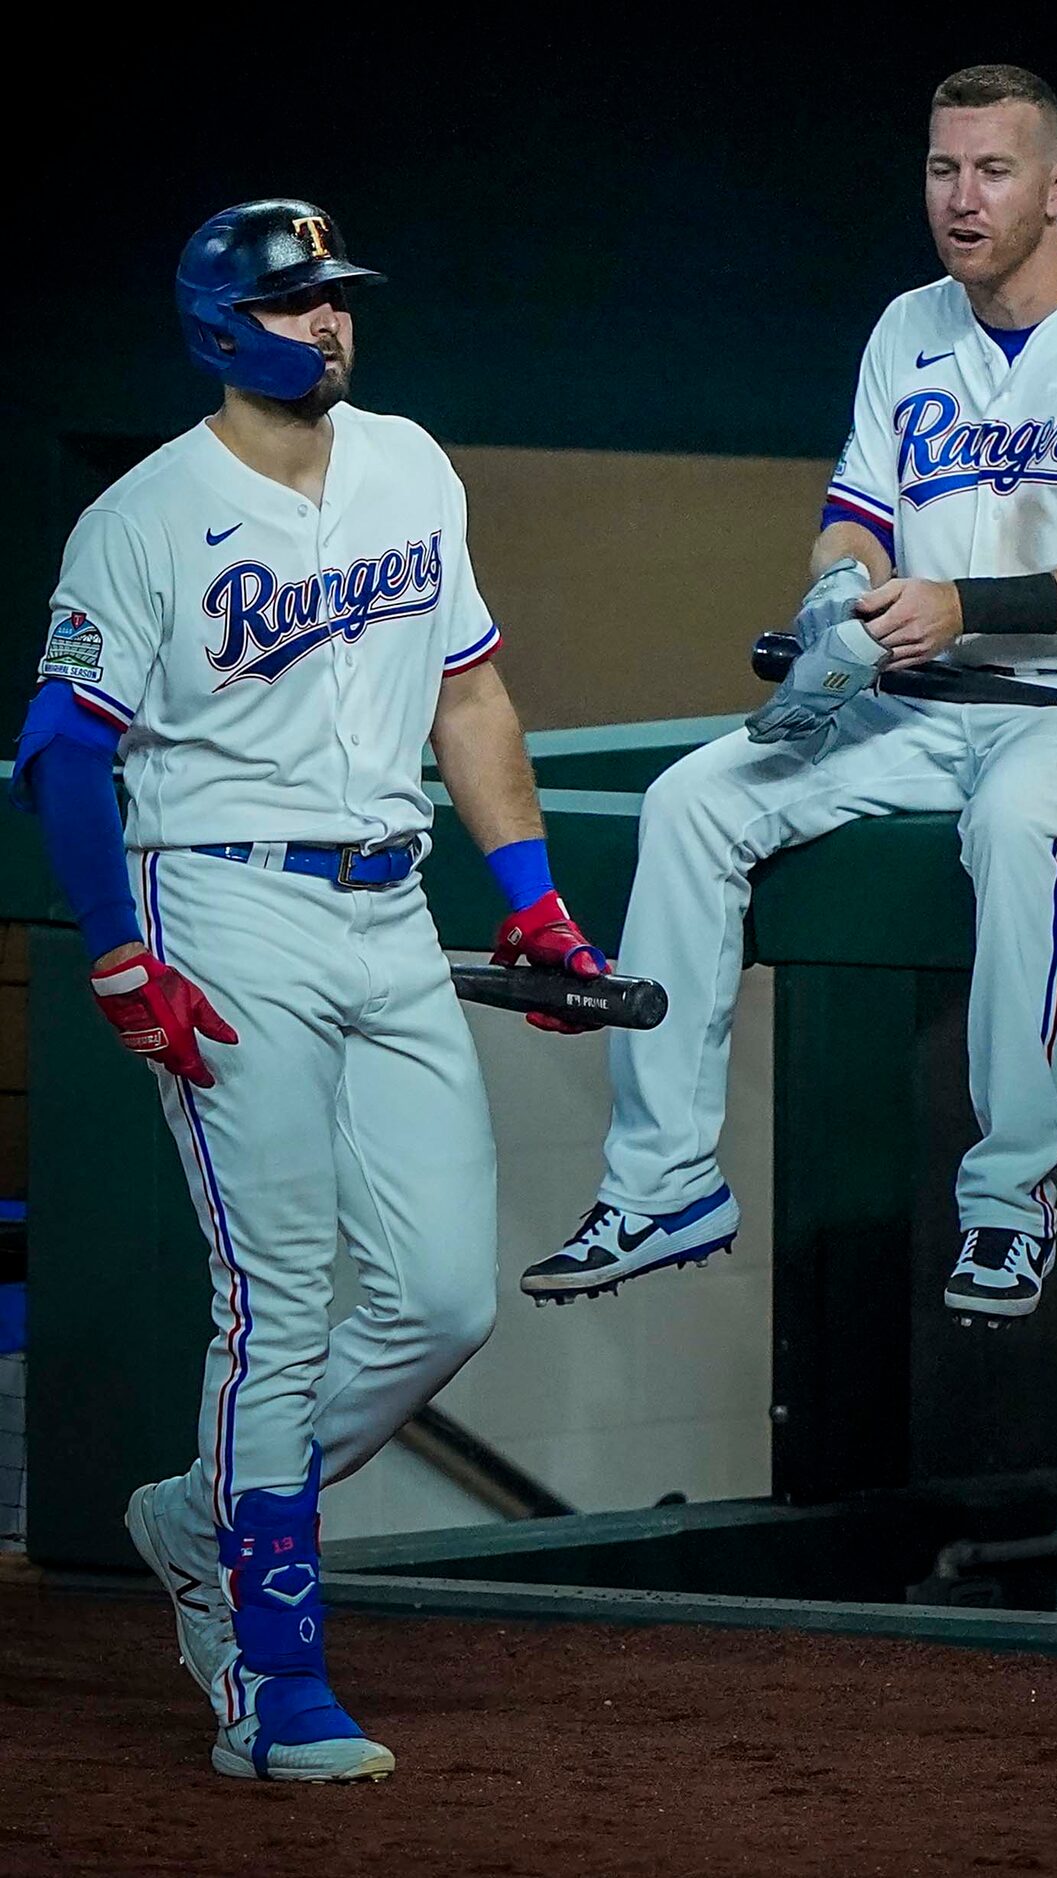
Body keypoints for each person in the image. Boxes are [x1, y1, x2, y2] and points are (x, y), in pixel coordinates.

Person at [12, 199, 604, 1783]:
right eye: (294, 301)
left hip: (390, 901)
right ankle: (268, 1674)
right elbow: (64, 750)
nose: (328, 322)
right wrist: (119, 952)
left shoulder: (412, 461)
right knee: (273, 1303)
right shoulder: (143, 516)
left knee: (441, 1297)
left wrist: (533, 900)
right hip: (217, 901)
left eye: (337, 298)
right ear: (220, 324)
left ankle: (198, 1518)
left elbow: (467, 687)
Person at [522, 64, 1057, 1326]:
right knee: (691, 802)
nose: (961, 197)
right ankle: (664, 1181)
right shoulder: (907, 327)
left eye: (992, 170)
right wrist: (841, 598)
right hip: (924, 702)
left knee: (1014, 825)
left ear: (1056, 187)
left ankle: (1010, 1204)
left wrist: (960, 602)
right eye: (941, 168)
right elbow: (851, 517)